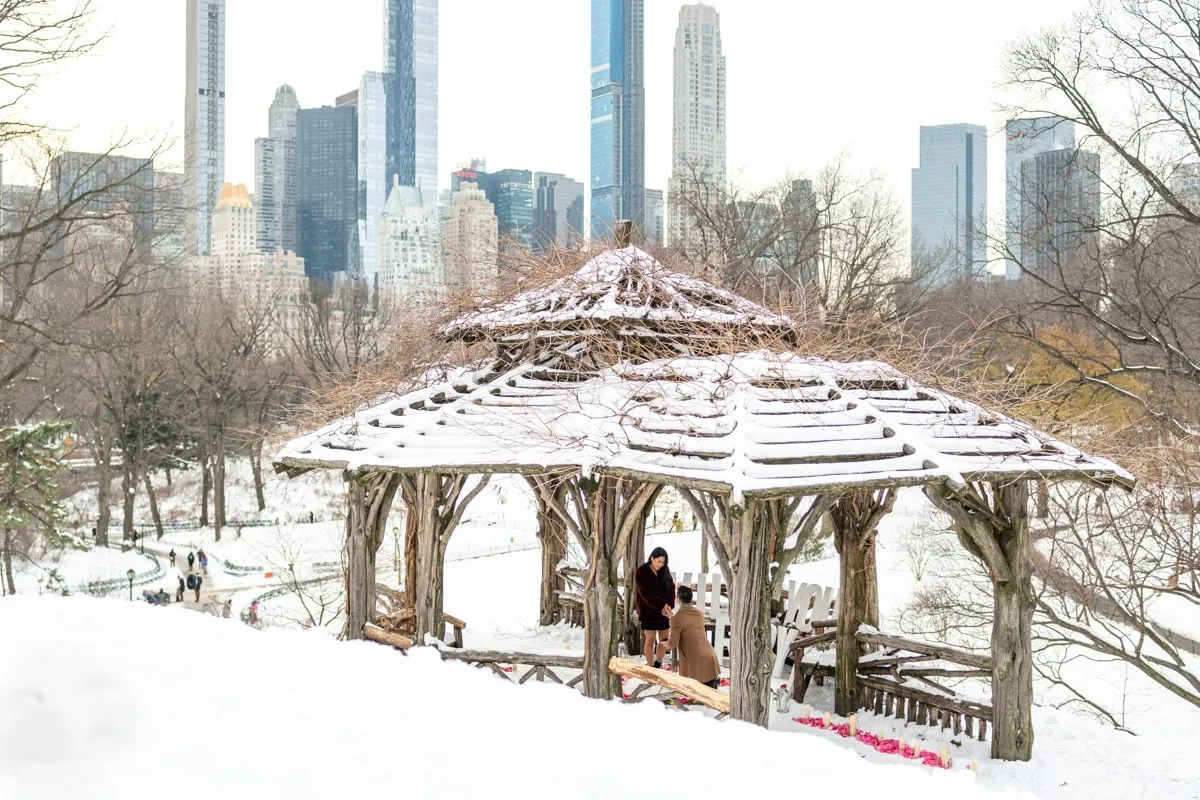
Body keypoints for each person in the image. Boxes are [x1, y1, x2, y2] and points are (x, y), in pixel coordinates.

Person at [667, 585, 721, 689]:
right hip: (709, 658)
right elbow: (688, 626)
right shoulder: (699, 613)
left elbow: (673, 643)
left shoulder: (677, 618)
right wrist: (672, 618)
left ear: (678, 599)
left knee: (698, 692)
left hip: (695, 664)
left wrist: (665, 644)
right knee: (710, 690)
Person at [635, 546, 675, 668]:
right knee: (650, 640)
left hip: (663, 613)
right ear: (652, 558)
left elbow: (671, 588)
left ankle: (658, 663)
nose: (661, 565)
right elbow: (645, 594)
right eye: (659, 561)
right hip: (648, 612)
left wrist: (669, 604)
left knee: (664, 640)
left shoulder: (664, 571)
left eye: (663, 562)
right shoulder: (642, 572)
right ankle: (650, 665)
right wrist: (662, 606)